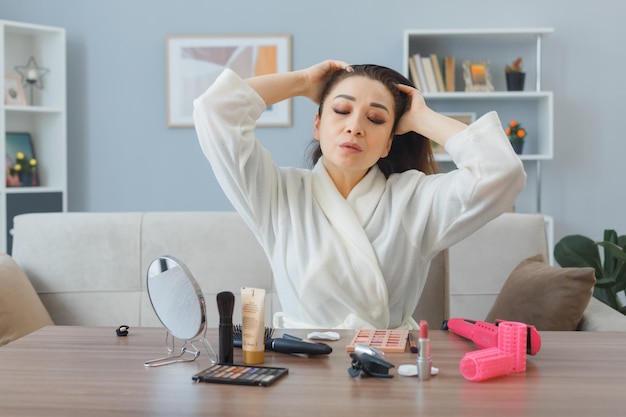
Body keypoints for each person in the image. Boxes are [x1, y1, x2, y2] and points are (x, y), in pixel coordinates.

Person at [193, 60, 525, 330]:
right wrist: (303, 82)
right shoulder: (277, 195)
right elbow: (216, 110)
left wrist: (422, 117)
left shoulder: (416, 200)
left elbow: (502, 172)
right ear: (317, 124)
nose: (354, 126)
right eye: (341, 110)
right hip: (304, 370)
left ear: (388, 143)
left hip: (391, 369)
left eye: (376, 118)